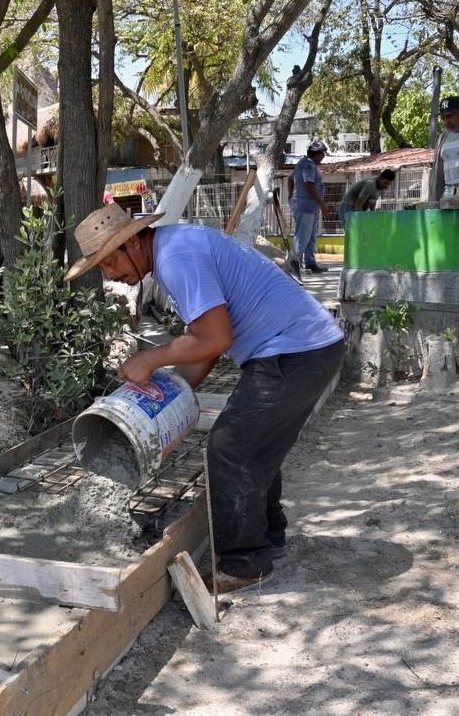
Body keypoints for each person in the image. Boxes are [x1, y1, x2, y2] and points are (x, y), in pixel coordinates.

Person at [64, 202, 345, 592]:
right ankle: (268, 539)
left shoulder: (176, 257)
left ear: (131, 244)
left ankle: (244, 565)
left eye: (108, 264)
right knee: (255, 445)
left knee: (231, 448)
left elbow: (214, 339)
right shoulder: (175, 248)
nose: (111, 275)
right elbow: (207, 348)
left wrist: (150, 358)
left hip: (295, 352)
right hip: (305, 348)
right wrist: (167, 397)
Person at [289, 141, 330, 274]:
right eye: (322, 154)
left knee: (310, 237)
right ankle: (293, 264)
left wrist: (290, 196)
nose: (323, 157)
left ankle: (310, 262)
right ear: (317, 153)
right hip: (305, 206)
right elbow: (309, 185)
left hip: (310, 207)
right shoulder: (308, 165)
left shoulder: (302, 164)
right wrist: (322, 204)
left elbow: (290, 179)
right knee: (303, 237)